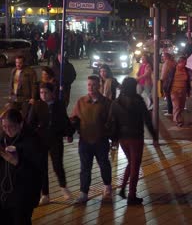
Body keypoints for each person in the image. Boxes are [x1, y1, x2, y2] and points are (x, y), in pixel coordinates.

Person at [108, 77, 157, 204]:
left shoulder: (116, 102)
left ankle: (123, 188)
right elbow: (147, 119)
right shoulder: (138, 101)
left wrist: (113, 139)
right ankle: (132, 195)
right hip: (136, 137)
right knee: (135, 165)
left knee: (131, 162)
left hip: (122, 138)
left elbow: (111, 122)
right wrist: (154, 135)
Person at [26, 82, 74, 205]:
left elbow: (64, 120)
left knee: (57, 165)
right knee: (42, 167)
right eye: (41, 92)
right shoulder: (37, 105)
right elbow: (30, 123)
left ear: (52, 93)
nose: (43, 95)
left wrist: (69, 133)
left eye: (46, 92)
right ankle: (45, 194)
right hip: (41, 140)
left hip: (55, 139)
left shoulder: (59, 104)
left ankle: (63, 188)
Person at [71, 75, 113, 204]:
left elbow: (111, 121)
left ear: (99, 86)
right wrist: (69, 131)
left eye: (94, 85)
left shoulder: (106, 103)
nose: (91, 87)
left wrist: (112, 136)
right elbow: (74, 119)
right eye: (89, 84)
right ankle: (84, 192)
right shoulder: (81, 101)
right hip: (84, 140)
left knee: (104, 164)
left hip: (101, 140)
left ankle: (107, 186)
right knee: (85, 167)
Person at [0, 109, 42, 224]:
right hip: (5, 193)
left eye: (11, 126)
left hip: (24, 195)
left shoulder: (33, 141)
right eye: (4, 126)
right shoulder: (3, 139)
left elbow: (37, 174)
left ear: (21, 124)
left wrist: (17, 162)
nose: (7, 130)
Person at [163, 57, 192, 127]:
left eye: (185, 63)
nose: (185, 64)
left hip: (183, 90)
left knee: (181, 106)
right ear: (179, 63)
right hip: (174, 90)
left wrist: (188, 91)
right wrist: (165, 90)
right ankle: (177, 120)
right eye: (184, 63)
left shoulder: (187, 70)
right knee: (177, 106)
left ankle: (179, 118)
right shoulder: (173, 70)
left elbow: (188, 81)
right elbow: (167, 80)